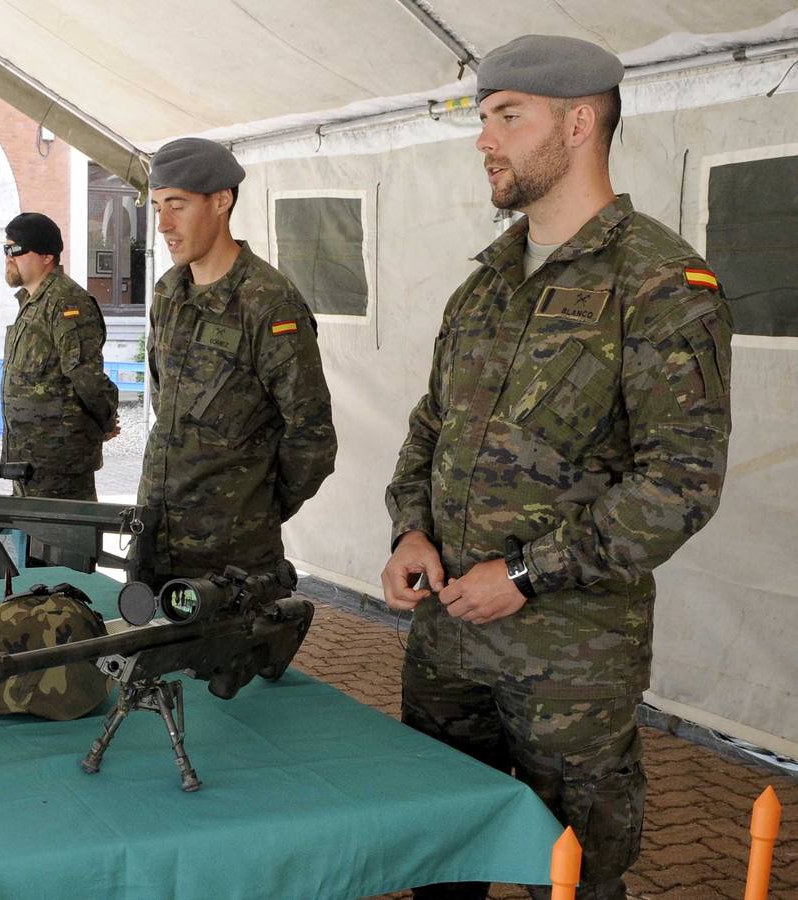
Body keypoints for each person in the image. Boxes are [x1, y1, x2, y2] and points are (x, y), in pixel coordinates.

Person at [380, 35, 732, 900]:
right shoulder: (486, 282)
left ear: (578, 123)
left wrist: (528, 575)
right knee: (439, 857)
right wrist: (409, 530)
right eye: (483, 115)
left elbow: (680, 484)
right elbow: (432, 426)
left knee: (568, 879)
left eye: (506, 116)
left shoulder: (659, 283)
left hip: (568, 667)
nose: (482, 139)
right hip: (448, 643)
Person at [134, 138, 336, 588]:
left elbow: (312, 436)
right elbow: (162, 400)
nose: (163, 223)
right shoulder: (170, 292)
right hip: (155, 539)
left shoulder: (267, 302)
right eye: (157, 207)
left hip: (231, 561)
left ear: (221, 201)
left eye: (178, 205)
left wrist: (255, 508)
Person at [1, 212, 119, 505]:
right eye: (5, 249)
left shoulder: (67, 302)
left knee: (66, 549)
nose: (8, 257)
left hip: (59, 464)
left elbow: (86, 376)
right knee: (33, 548)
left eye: (16, 249)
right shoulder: (32, 302)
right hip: (27, 462)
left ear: (46, 256)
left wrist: (104, 421)